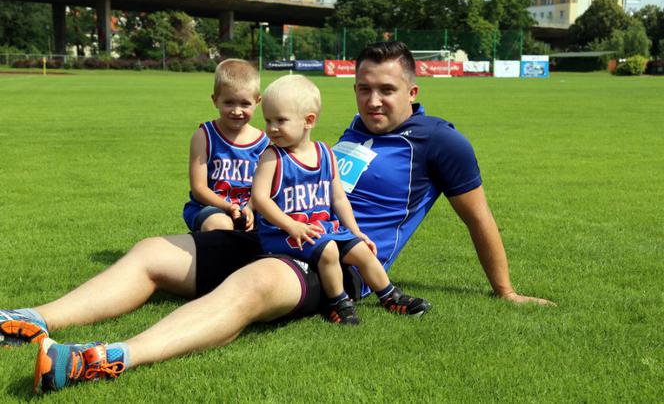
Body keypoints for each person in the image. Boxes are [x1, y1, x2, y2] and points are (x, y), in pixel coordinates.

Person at [0, 41, 553, 394]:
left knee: (254, 284)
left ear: (413, 90)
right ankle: (28, 320)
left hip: (337, 259)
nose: (372, 100)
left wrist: (503, 290)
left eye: (387, 90)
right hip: (279, 232)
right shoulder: (354, 132)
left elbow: (479, 219)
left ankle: (104, 359)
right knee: (154, 250)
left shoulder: (440, 141)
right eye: (363, 88)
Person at [252, 75, 430, 325]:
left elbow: (338, 198)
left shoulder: (325, 153)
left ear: (308, 121)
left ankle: (390, 295)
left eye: (280, 120)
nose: (271, 128)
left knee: (362, 251)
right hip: (284, 233)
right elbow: (259, 198)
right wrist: (290, 225)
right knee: (328, 250)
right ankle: (338, 301)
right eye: (268, 120)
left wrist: (355, 231)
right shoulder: (272, 157)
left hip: (320, 228)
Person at [182, 58, 268, 232]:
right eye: (229, 103)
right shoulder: (204, 136)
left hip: (250, 208)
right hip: (209, 208)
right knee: (221, 225)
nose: (237, 111)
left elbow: (264, 188)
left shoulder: (264, 142)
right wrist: (229, 208)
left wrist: (250, 209)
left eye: (245, 104)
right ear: (215, 100)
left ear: (257, 102)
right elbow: (198, 188)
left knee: (277, 220)